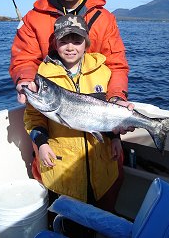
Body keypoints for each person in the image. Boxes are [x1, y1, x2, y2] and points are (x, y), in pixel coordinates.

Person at [24, 15, 123, 237]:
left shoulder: (103, 70)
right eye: (63, 40)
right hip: (64, 170)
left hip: (100, 166)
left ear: (86, 43)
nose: (70, 47)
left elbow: (106, 114)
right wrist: (40, 143)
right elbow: (33, 117)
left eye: (77, 40)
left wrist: (115, 138)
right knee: (71, 225)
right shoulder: (43, 74)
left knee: (98, 220)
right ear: (55, 43)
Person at [9, 0, 134, 124]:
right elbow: (23, 60)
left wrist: (116, 97)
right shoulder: (32, 19)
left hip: (100, 120)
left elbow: (117, 64)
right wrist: (26, 80)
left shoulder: (105, 19)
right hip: (52, 125)